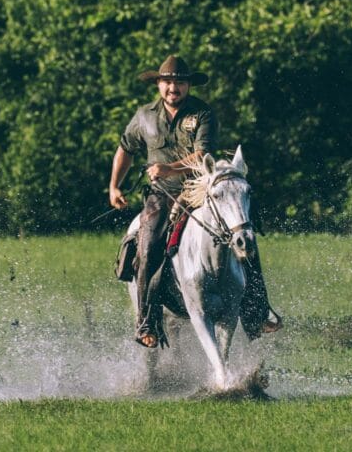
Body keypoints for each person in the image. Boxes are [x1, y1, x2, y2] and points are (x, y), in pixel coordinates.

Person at [109, 55, 282, 348]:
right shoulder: (144, 116)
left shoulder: (203, 114)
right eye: (167, 82)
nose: (172, 88)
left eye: (179, 82)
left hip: (199, 188)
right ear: (159, 84)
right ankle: (147, 321)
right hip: (160, 195)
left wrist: (169, 168)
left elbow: (203, 156)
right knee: (148, 244)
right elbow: (125, 148)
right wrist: (114, 186)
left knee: (243, 234)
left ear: (188, 85)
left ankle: (257, 310)